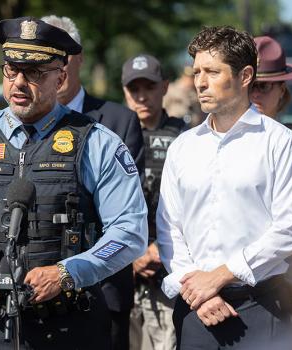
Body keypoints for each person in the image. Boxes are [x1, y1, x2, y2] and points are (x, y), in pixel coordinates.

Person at [0, 17, 148, 349]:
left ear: (62, 77)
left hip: (73, 325)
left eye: (35, 72)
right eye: (11, 70)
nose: (19, 83)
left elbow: (129, 232)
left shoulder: (98, 143)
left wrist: (69, 273)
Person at [156, 26, 292, 349]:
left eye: (212, 71)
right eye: (196, 71)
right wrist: (197, 290)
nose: (200, 81)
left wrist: (221, 275)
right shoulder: (182, 147)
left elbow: (287, 232)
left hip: (260, 307)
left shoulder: (280, 143)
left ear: (245, 75)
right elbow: (169, 230)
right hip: (195, 309)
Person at [40, 15, 145, 350]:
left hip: (103, 291)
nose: (57, 66)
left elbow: (126, 209)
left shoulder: (119, 121)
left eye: (63, 56)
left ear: (79, 57)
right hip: (35, 291)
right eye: (45, 57)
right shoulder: (14, 125)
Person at [121, 53, 185, 350]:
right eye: (135, 89)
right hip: (123, 267)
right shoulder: (111, 136)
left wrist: (159, 249)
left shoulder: (185, 136)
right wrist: (132, 253)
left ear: (165, 87)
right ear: (125, 92)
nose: (142, 96)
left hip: (167, 265)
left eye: (150, 87)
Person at [250, 35, 292, 166]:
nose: (255, 94)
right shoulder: (221, 138)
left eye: (264, 86)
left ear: (282, 90)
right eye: (249, 86)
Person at [163, 63, 204, 128]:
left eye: (192, 77)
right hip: (173, 129)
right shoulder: (171, 89)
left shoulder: (199, 93)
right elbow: (162, 109)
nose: (189, 80)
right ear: (182, 76)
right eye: (187, 77)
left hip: (192, 129)